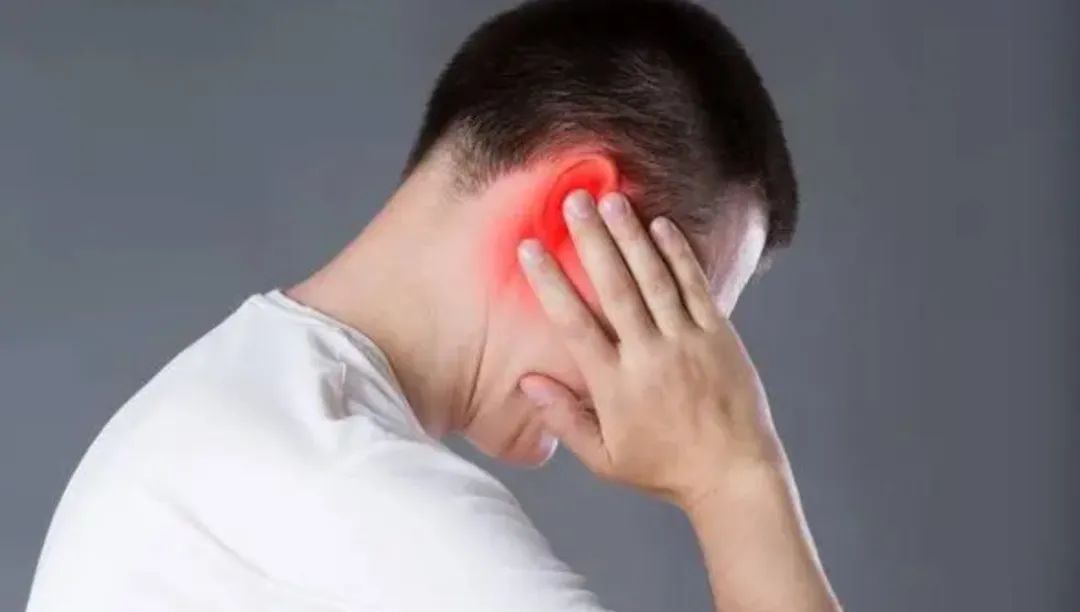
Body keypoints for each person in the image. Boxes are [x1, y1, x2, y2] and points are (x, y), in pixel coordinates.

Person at [27, 0, 841, 610]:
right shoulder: (344, 477)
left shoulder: (237, 413)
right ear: (576, 216)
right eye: (670, 315)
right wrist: (737, 477)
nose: (662, 382)